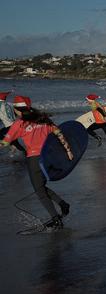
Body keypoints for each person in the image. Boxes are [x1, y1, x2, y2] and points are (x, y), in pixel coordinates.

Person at [0, 96, 73, 229]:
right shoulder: (43, 120)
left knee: (39, 190)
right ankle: (62, 204)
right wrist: (68, 150)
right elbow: (59, 132)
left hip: (34, 159)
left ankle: (55, 218)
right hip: (48, 156)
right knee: (41, 186)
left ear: (16, 109)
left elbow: (5, 142)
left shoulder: (20, 123)